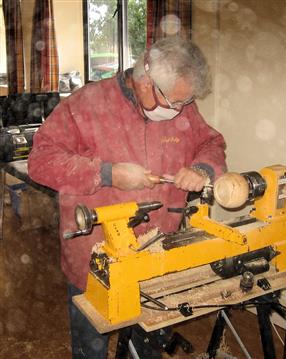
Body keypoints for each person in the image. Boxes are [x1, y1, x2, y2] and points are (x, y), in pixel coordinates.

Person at [28, 36, 227, 358]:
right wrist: (106, 174)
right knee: (91, 345)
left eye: (185, 103)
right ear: (145, 79)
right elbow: (41, 163)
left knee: (148, 344)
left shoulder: (182, 106)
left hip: (157, 253)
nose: (179, 111)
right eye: (174, 102)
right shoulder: (87, 104)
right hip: (95, 255)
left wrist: (203, 169)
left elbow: (211, 143)